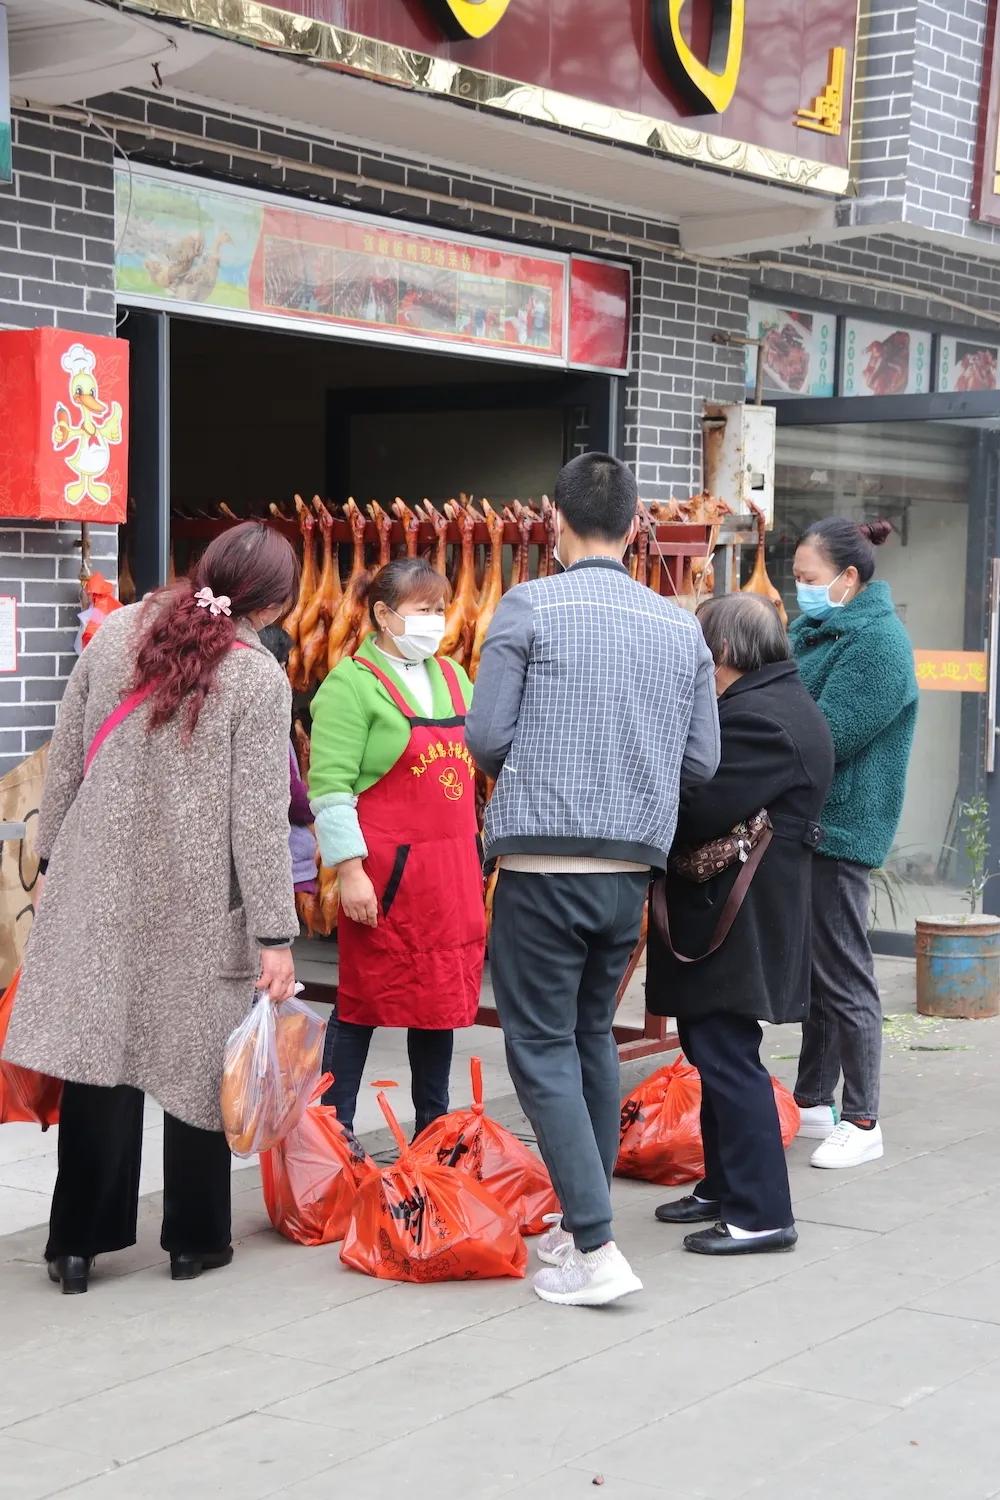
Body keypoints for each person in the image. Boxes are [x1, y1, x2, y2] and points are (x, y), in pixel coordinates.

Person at [3, 523, 300, 1294]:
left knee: (101, 1063)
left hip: (96, 885)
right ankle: (193, 1243)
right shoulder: (259, 678)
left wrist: (52, 859)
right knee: (194, 1068)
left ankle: (77, 1246)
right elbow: (258, 822)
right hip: (198, 904)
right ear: (269, 601)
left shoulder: (121, 631)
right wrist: (275, 932)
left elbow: (64, 751)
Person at [467, 452, 720, 1307]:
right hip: (629, 867)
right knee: (587, 1037)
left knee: (538, 1046)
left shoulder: (529, 605)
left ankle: (596, 1244)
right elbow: (703, 760)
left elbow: (488, 738)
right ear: (638, 520)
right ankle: (586, 1217)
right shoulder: (680, 625)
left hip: (542, 860)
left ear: (553, 516)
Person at [647, 594, 834, 1255]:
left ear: (722, 653)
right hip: (739, 911)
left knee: (727, 1056)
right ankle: (723, 1188)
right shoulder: (771, 701)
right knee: (714, 1050)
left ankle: (760, 1213)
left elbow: (698, 806)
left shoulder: (761, 718)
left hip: (740, 917)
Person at [308, 557, 483, 1134]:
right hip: (386, 878)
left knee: (438, 1011)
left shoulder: (455, 677)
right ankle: (336, 1134)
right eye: (423, 610)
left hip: (451, 875)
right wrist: (350, 872)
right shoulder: (349, 685)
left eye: (440, 608)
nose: (436, 620)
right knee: (362, 1003)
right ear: (383, 615)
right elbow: (330, 789)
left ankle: (435, 1133)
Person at [791, 517, 917, 1168]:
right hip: (811, 822)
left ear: (848, 578)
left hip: (842, 824)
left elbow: (826, 736)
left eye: (809, 580)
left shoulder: (879, 643)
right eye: (796, 581)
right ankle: (814, 1101)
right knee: (819, 973)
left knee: (844, 973)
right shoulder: (817, 628)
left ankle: (864, 1119)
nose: (799, 592)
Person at [258, 625, 320, 895]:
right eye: (283, 665)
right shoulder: (265, 716)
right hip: (287, 855)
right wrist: (315, 822)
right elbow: (289, 789)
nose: (285, 675)